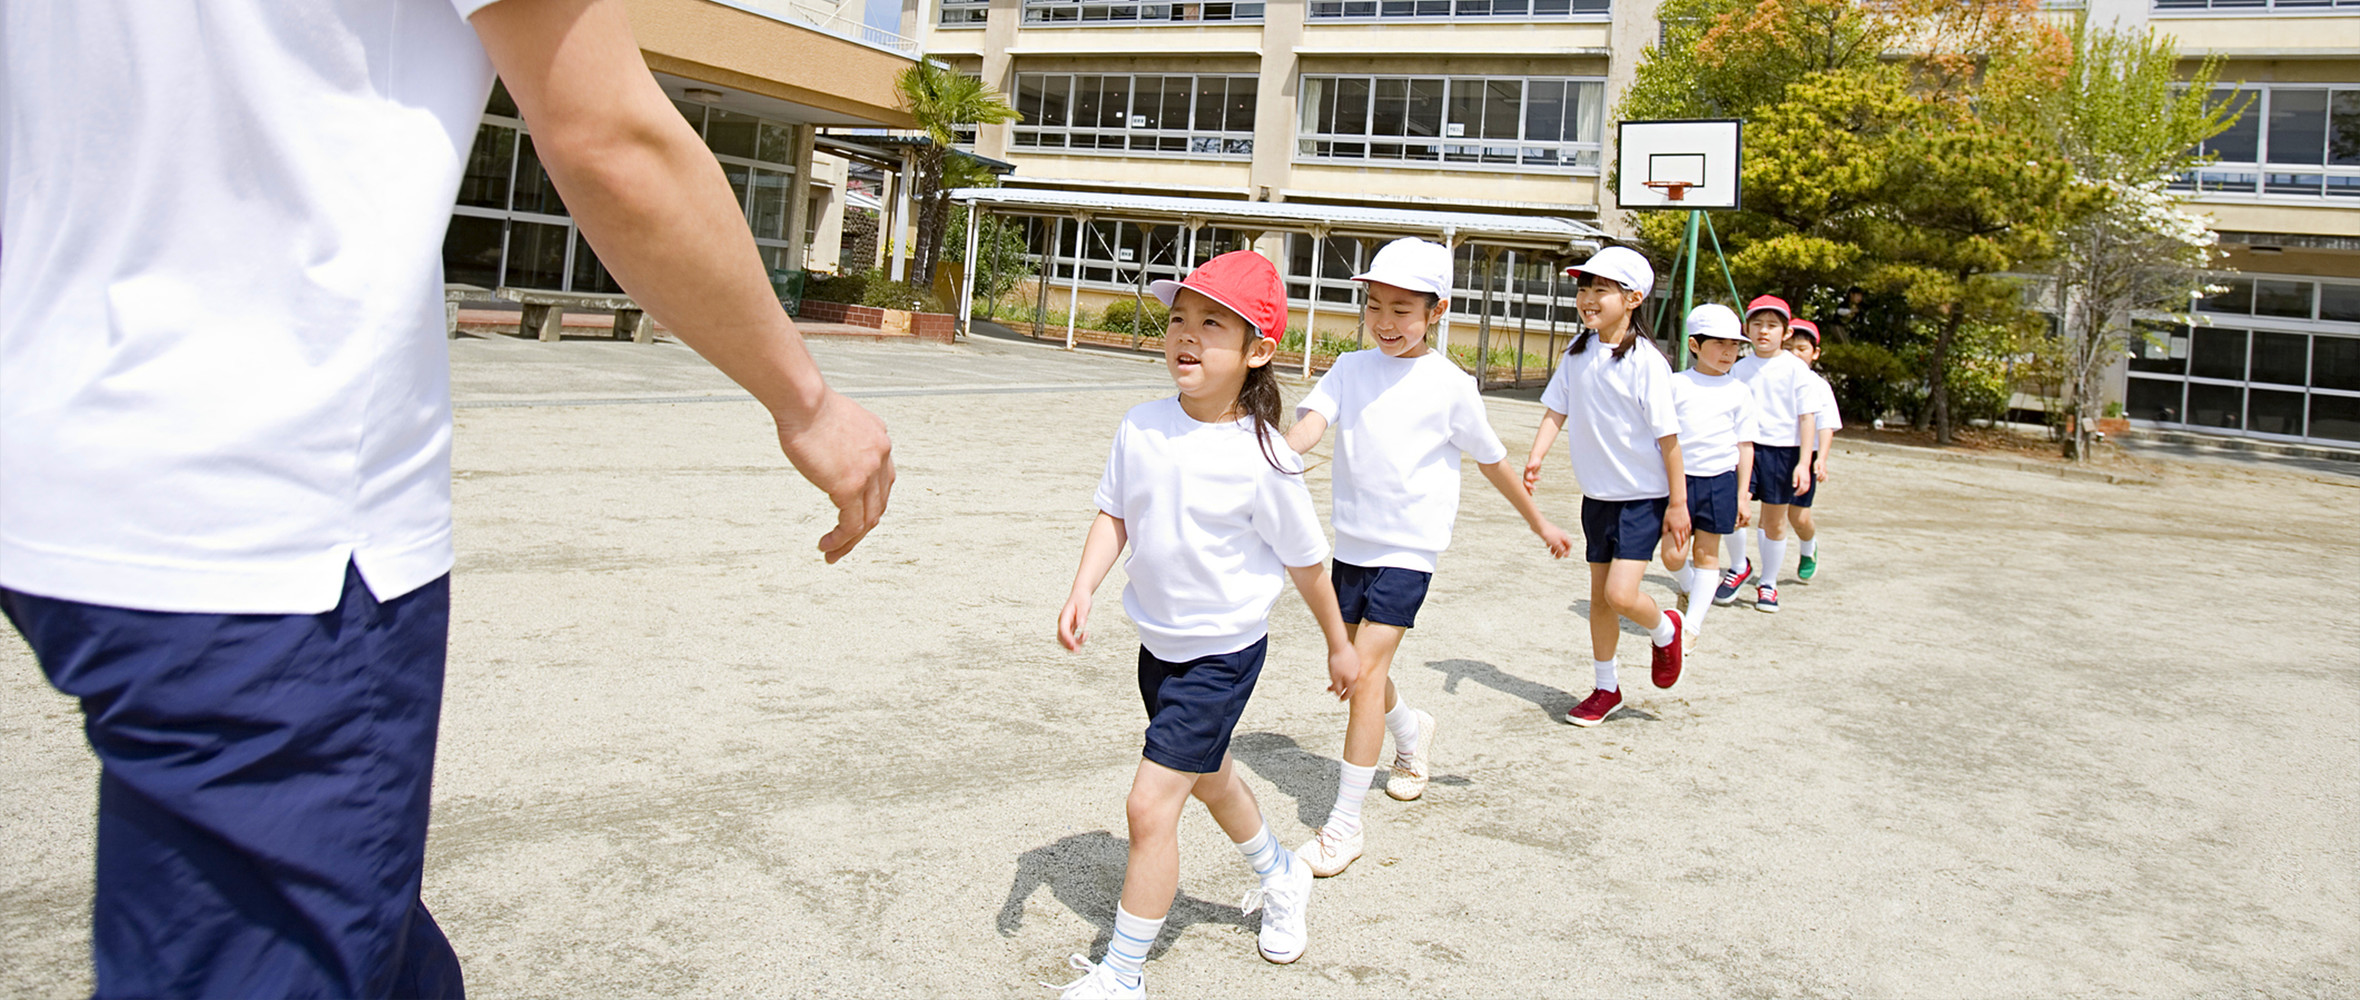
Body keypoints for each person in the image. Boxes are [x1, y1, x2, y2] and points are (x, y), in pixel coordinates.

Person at [0, 2, 895, 996]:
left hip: (57, 472)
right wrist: (805, 400)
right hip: (271, 529)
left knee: (361, 937)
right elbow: (608, 134)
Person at [1051, 250, 1362, 999]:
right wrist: (1083, 585)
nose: (1186, 336)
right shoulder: (1142, 426)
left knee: (1149, 801)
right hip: (1158, 648)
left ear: (1258, 351)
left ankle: (1123, 975)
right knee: (1209, 777)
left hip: (1222, 657)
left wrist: (1339, 642)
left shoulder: (1266, 458)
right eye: (1179, 320)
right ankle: (1283, 875)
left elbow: (1308, 564)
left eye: (1211, 325)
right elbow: (1115, 511)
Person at [1280, 238, 1574, 878]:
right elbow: (1310, 424)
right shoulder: (1351, 368)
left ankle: (1344, 823)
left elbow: (1493, 461)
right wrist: (1277, 454)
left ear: (1436, 311)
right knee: (1368, 674)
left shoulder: (1451, 385)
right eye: (1375, 305)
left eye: (1402, 309)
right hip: (1351, 546)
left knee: (1359, 672)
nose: (1385, 322)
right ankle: (1412, 737)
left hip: (1410, 550)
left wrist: (1539, 520)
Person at [1521, 247, 1687, 729]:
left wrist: (1677, 503)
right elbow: (1557, 409)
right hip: (1597, 498)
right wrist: (1536, 456)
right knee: (1600, 599)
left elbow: (1669, 439)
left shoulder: (1647, 363)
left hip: (1642, 498)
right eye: (1584, 287)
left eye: (1601, 289)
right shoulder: (1577, 354)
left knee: (1620, 593)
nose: (1588, 298)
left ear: (1633, 298)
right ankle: (1606, 687)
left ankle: (1664, 627)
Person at [1659, 304, 1759, 651]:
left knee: (1708, 555)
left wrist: (1743, 494)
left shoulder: (1740, 391)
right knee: (1672, 557)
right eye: (1719, 344)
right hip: (1678, 481)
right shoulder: (1675, 385)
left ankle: (1692, 627)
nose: (1728, 352)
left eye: (1734, 345)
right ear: (1694, 345)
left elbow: (1745, 445)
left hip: (1721, 482)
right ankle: (1688, 587)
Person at [1713, 295, 1816, 614]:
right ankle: (1739, 566)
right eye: (1757, 324)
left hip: (1783, 453)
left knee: (1773, 521)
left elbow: (1807, 416)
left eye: (1772, 325)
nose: (1764, 331)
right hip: (1743, 448)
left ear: (1785, 332)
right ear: (1746, 328)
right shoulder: (1739, 368)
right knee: (1732, 510)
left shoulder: (1797, 370)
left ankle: (1768, 583)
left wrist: (1803, 463)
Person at [1785, 319, 1841, 583]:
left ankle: (1809, 547)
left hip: (1804, 456)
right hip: (1772, 452)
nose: (1795, 354)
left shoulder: (1819, 386)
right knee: (1766, 516)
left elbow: (1826, 425)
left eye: (1802, 349)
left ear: (1815, 353)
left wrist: (1822, 460)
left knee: (1798, 515)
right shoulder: (1772, 378)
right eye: (1789, 348)